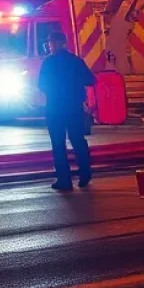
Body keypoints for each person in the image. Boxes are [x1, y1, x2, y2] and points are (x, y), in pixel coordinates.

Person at [37, 27, 96, 191]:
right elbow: (90, 80)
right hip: (74, 108)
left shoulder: (48, 63)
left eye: (50, 43)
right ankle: (85, 173)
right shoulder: (76, 61)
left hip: (55, 109)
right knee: (78, 140)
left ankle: (64, 179)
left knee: (58, 144)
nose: (50, 46)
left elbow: (41, 85)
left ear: (55, 44)